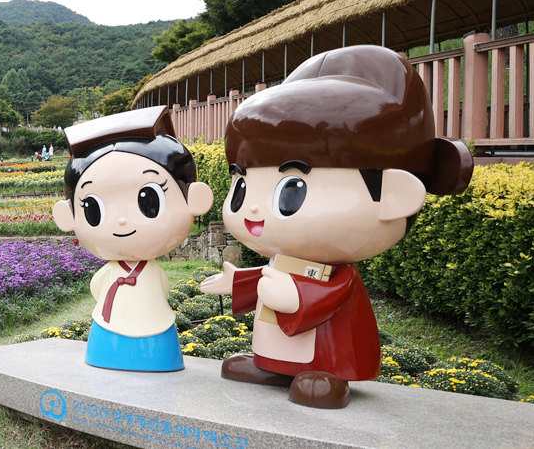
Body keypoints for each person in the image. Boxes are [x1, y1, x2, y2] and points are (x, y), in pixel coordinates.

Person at [199, 45, 474, 409]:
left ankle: (329, 373)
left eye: (291, 190)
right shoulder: (284, 256)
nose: (251, 208)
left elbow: (329, 294)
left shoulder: (336, 271)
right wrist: (236, 282)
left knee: (318, 361)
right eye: (242, 186)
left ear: (394, 195)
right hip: (277, 333)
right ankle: (272, 366)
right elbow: (270, 278)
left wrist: (294, 297)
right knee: (273, 341)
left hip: (324, 345)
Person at [51, 106, 214, 372]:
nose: (122, 220)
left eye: (148, 201)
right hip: (111, 329)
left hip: (151, 326)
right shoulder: (142, 271)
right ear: (67, 216)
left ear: (194, 199)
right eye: (93, 209)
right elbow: (161, 288)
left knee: (153, 344)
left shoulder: (124, 270)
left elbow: (97, 289)